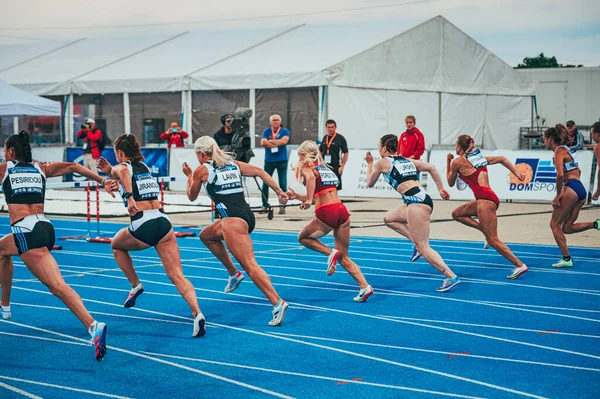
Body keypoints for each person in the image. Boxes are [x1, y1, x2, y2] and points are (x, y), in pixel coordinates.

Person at [0, 130, 116, 361]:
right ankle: (5, 307)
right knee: (2, 250)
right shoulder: (39, 168)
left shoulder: (4, 170)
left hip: (25, 231)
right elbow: (73, 166)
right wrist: (103, 181)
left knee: (57, 286)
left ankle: (93, 325)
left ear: (11, 152)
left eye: (5, 151)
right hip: (45, 227)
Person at [97, 133, 206, 337]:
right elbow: (125, 175)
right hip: (163, 223)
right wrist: (111, 175)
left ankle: (135, 284)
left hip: (143, 224)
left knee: (116, 244)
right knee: (176, 275)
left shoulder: (121, 167)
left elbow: (122, 171)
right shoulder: (144, 168)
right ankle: (197, 313)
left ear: (120, 153)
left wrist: (129, 197)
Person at [183, 136, 290, 326]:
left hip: (233, 221)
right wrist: (279, 191)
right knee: (206, 236)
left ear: (201, 154)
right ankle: (233, 273)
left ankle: (277, 302)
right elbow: (260, 172)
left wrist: (189, 176)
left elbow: (191, 196)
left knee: (250, 265)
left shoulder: (202, 170)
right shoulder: (232, 164)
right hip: (246, 216)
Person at [366, 134, 460, 292]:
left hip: (417, 203)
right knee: (389, 219)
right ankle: (414, 243)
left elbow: (369, 182)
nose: (378, 150)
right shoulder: (407, 160)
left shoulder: (382, 163)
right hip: (417, 200)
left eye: (379, 146)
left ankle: (450, 276)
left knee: (424, 247)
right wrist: (440, 188)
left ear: (383, 148)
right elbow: (432, 167)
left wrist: (369, 163)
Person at [288, 140, 373, 301]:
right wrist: (299, 197)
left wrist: (306, 201)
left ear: (304, 154)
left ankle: (330, 253)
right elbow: (318, 193)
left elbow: (311, 179)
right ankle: (364, 286)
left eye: (299, 155)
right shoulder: (326, 168)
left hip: (327, 212)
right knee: (344, 257)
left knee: (303, 238)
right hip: (341, 210)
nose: (298, 158)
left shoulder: (308, 167)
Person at [446, 134, 529, 279]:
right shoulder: (479, 159)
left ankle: (519, 265)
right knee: (456, 214)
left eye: (456, 145)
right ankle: (483, 230)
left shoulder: (457, 162)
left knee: (493, 239)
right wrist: (516, 172)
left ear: (459, 147)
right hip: (486, 198)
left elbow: (450, 183)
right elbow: (502, 158)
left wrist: (448, 162)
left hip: (485, 200)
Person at [545, 124, 599, 268]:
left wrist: (558, 195)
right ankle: (596, 224)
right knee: (567, 228)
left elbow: (560, 175)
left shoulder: (558, 152)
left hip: (571, 188)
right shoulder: (568, 150)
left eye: (544, 139)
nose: (544, 142)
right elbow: (578, 171)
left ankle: (567, 259)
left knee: (554, 224)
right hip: (579, 189)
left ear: (550, 139)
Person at [261, 114, 289, 214]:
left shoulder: (285, 131)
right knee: (265, 183)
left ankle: (283, 206)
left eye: (277, 120)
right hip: (269, 160)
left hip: (282, 160)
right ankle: (264, 204)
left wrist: (271, 141)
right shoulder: (267, 131)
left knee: (282, 183)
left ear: (280, 121)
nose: (275, 122)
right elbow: (263, 143)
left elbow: (284, 142)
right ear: (270, 122)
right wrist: (278, 142)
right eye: (273, 120)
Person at [318, 119, 348, 190]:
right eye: (329, 127)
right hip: (325, 166)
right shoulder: (325, 138)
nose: (330, 129)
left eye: (332, 127)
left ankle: (334, 200)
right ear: (326, 128)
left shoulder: (340, 138)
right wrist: (319, 163)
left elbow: (345, 152)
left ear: (335, 127)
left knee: (335, 186)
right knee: (325, 186)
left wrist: (342, 166)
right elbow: (321, 151)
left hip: (336, 166)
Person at [592, 122, 600, 201]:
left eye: (592, 134)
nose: (592, 137)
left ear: (597, 134)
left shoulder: (598, 147)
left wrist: (598, 190)